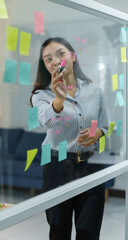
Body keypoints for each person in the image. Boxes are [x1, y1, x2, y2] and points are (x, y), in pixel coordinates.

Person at [30, 37, 108, 240]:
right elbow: (42, 123)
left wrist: (98, 133)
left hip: (91, 164)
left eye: (60, 54)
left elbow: (105, 126)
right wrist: (58, 99)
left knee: (89, 233)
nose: (55, 61)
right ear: (45, 66)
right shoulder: (40, 95)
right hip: (57, 165)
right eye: (48, 59)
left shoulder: (94, 90)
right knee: (59, 232)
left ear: (73, 56)